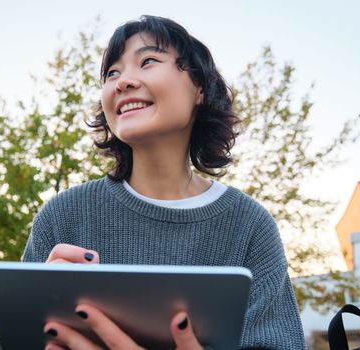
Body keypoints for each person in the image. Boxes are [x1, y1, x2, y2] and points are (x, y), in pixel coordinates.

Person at [22, 15, 306, 350]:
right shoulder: (61, 217)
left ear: (199, 88)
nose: (123, 82)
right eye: (112, 73)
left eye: (148, 61)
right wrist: (36, 310)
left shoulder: (249, 226)